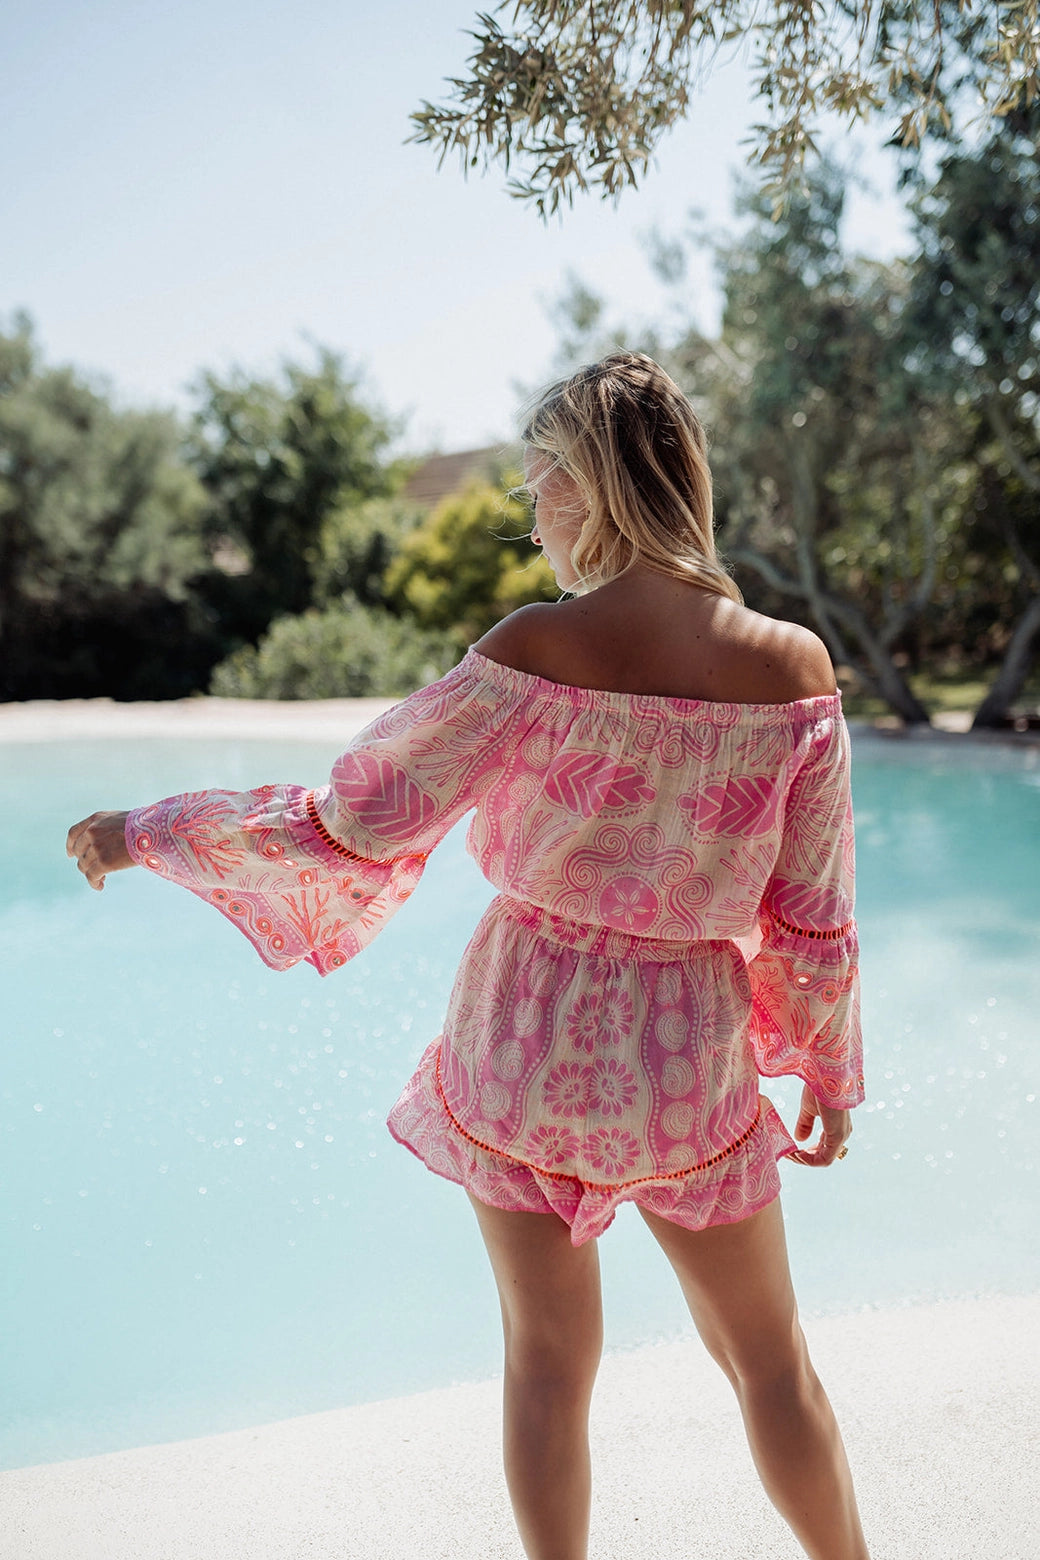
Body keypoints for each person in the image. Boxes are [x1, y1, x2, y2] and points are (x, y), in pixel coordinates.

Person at [68, 352, 870, 1560]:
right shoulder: (789, 668)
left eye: (536, 484)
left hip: (523, 1035)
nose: (533, 515)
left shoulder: (533, 649)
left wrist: (148, 831)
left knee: (545, 1362)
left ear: (585, 486)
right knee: (767, 1361)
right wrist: (825, 1072)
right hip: (685, 1054)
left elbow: (351, 823)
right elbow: (812, 914)